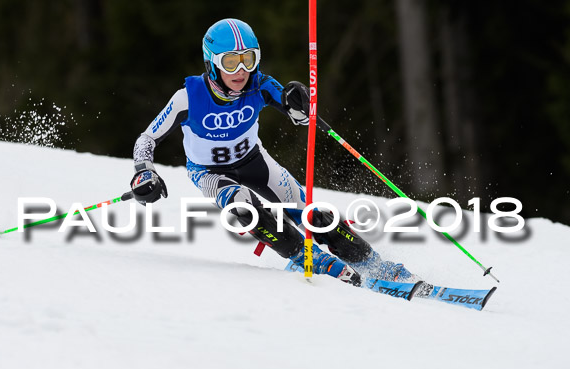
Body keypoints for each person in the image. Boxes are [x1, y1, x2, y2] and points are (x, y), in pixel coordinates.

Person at [129, 18, 414, 286]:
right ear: (212, 63)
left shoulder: (260, 85)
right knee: (242, 204)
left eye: (248, 59)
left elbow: (294, 109)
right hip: (209, 172)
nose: (241, 71)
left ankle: (372, 263)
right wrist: (144, 172)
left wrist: (300, 105)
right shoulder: (188, 97)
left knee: (310, 212)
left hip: (255, 161)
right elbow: (146, 139)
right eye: (230, 62)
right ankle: (303, 255)